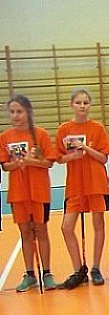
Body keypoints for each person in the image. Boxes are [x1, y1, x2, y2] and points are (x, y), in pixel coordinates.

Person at [0, 95, 59, 292]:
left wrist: (30, 161)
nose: (16, 115)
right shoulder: (5, 137)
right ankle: (30, 274)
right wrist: (17, 164)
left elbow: (48, 162)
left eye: (20, 111)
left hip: (39, 191)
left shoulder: (40, 134)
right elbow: (5, 166)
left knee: (41, 231)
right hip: (18, 193)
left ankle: (47, 273)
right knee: (25, 232)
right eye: (12, 112)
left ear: (28, 112)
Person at [56, 88, 109, 289]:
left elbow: (104, 158)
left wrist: (87, 148)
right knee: (66, 227)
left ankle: (95, 268)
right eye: (78, 102)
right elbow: (59, 158)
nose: (82, 106)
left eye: (86, 102)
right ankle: (79, 269)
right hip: (75, 185)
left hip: (96, 183)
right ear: (72, 105)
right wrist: (73, 156)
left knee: (98, 224)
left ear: (90, 105)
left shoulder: (97, 128)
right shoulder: (64, 129)